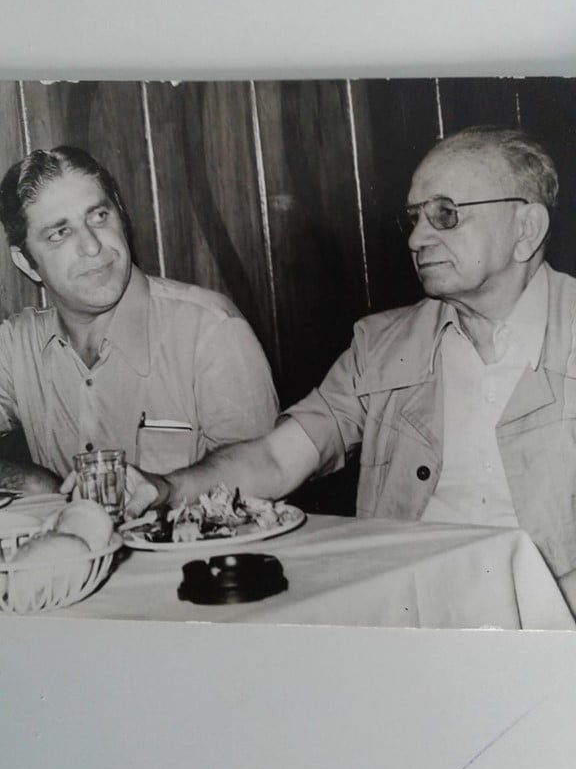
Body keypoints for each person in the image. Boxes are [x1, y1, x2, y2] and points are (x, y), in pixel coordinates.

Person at [126, 125, 576, 604]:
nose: (417, 238)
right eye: (415, 217)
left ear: (526, 229)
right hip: (412, 611)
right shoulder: (382, 345)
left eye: (446, 214)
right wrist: (167, 489)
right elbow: (277, 459)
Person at [0, 146, 278, 497]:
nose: (92, 246)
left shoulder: (211, 330)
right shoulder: (16, 347)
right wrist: (32, 483)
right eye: (60, 233)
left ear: (122, 216)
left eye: (99, 216)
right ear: (26, 264)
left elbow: (265, 482)